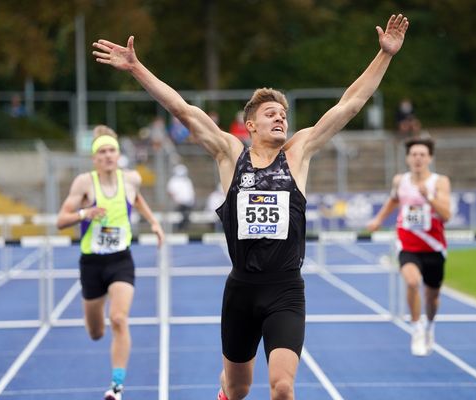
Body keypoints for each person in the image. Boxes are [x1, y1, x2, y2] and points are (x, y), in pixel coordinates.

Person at [92, 13, 408, 399]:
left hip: (286, 290)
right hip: (241, 290)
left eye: (284, 115)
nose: (281, 119)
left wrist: (385, 55)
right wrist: (137, 68)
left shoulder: (298, 154)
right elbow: (183, 110)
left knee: (282, 387)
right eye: (271, 114)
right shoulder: (230, 155)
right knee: (238, 390)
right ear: (251, 125)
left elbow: (350, 104)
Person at [56, 125, 165, 400]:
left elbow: (136, 199)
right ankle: (98, 325)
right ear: (94, 158)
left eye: (112, 151)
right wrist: (86, 212)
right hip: (92, 264)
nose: (107, 156)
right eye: (102, 152)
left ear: (119, 155)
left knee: (119, 318)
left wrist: (154, 222)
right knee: (95, 332)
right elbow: (61, 220)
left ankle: (116, 386)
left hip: (121, 261)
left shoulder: (131, 179)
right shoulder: (84, 183)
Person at [367, 136, 451, 357]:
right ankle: (416, 328)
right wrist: (378, 219)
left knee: (432, 297)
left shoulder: (439, 182)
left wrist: (429, 197)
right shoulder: (400, 180)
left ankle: (430, 325)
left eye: (422, 155)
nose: (418, 159)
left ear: (430, 158)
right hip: (407, 244)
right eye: (414, 154)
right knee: (412, 282)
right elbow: (393, 200)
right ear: (407, 158)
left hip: (434, 246)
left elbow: (447, 215)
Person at [166, 164, 195, 231]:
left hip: (188, 204)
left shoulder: (187, 180)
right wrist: (176, 201)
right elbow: (170, 192)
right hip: (179, 204)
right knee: (180, 216)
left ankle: (183, 228)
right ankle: (178, 229)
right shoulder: (173, 180)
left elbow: (191, 193)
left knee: (186, 216)